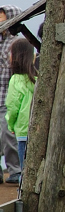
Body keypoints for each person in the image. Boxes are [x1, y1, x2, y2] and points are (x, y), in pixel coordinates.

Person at [5, 38, 35, 185]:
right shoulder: (36, 79)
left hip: (22, 131)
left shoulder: (16, 80)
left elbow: (12, 107)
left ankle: (24, 196)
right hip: (37, 130)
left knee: (25, 169)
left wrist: (10, 125)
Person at [0, 5, 23, 183]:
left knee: (8, 136)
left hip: (7, 96)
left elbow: (12, 66)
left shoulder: (15, 42)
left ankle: (15, 171)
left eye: (2, 16)